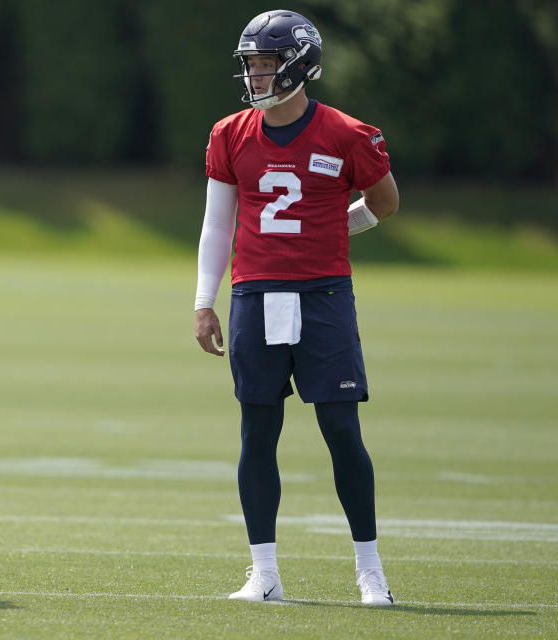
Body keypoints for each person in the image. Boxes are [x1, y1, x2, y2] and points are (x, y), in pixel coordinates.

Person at [193, 10, 399, 606]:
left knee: (340, 428)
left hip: (324, 294)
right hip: (254, 294)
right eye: (250, 65)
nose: (255, 76)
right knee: (258, 431)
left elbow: (384, 205)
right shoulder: (229, 133)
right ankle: (264, 572)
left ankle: (370, 568)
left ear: (297, 66)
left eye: (264, 64)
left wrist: (337, 226)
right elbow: (216, 223)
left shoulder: (346, 133)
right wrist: (203, 303)